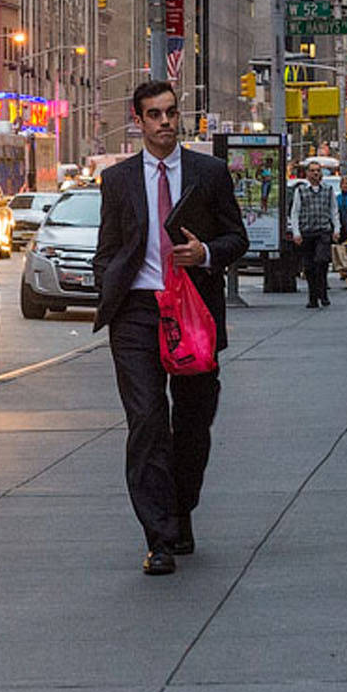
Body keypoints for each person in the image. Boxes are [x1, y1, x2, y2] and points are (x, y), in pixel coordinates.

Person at [92, 80, 249, 576]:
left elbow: (236, 237)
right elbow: (108, 248)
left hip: (192, 311)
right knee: (147, 422)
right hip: (137, 313)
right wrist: (109, 286)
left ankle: (181, 509)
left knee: (194, 420)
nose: (164, 122)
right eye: (154, 115)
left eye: (171, 113)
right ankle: (157, 536)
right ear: (137, 120)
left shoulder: (209, 174)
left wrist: (206, 253)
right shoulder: (117, 181)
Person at [288, 161, 340, 309]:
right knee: (309, 267)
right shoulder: (301, 191)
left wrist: (336, 229)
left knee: (321, 262)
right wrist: (296, 232)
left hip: (323, 231)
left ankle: (323, 293)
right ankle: (313, 298)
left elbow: (333, 211)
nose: (315, 173)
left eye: (318, 171)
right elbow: (295, 212)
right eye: (312, 171)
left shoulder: (328, 190)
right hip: (307, 232)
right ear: (307, 173)